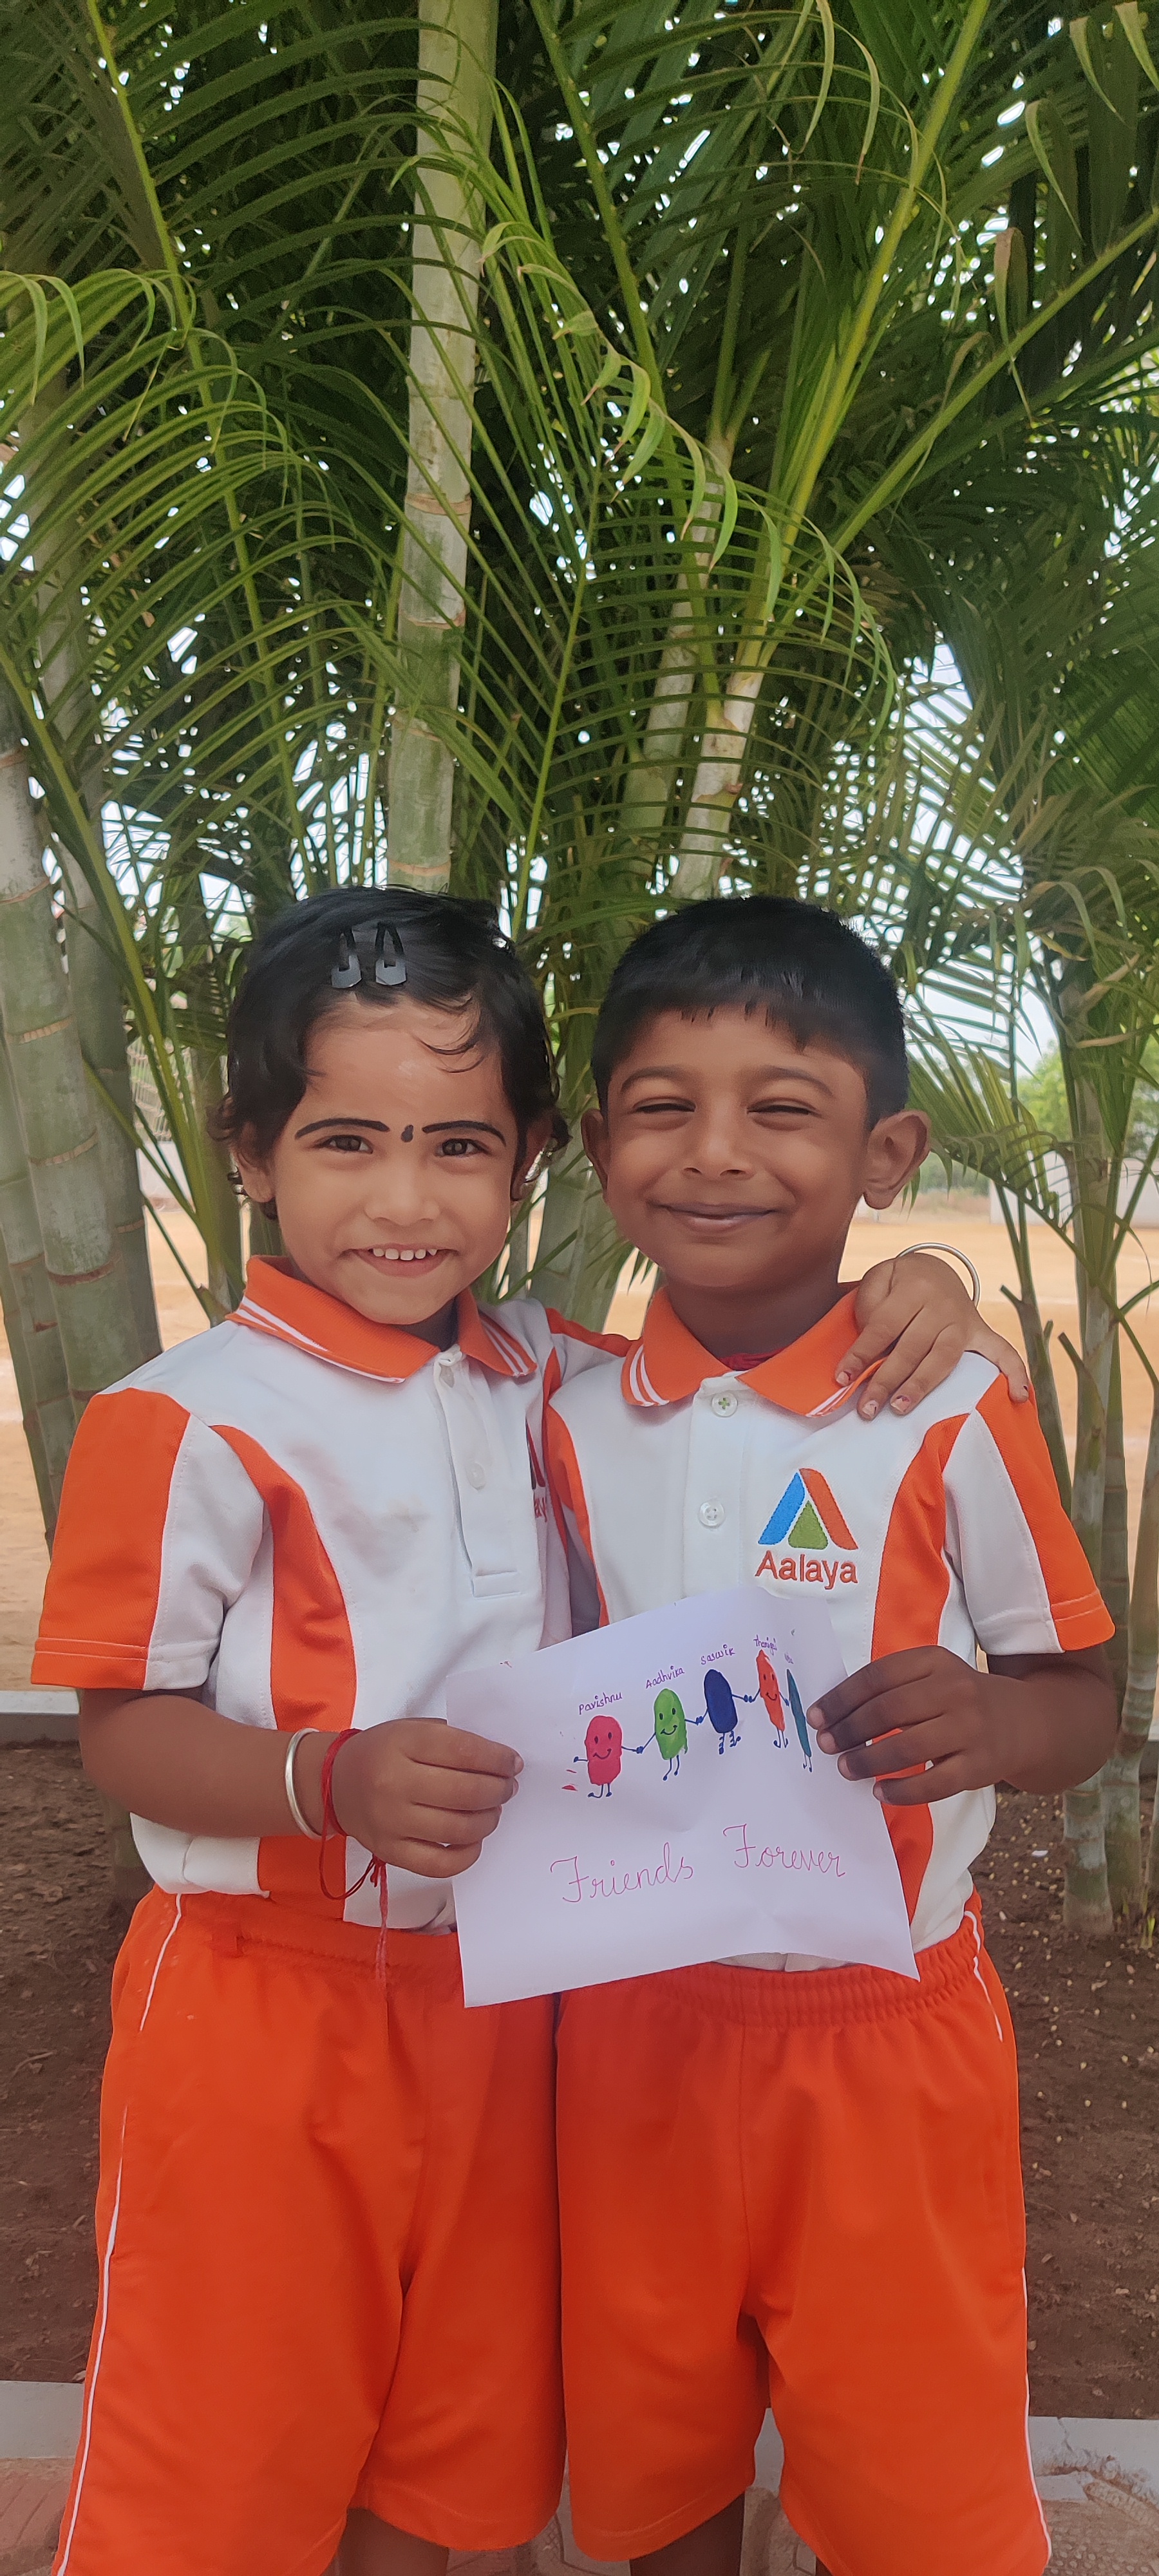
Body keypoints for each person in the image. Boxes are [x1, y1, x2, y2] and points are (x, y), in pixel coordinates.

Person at [33, 884, 1019, 2576]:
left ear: (532, 1157)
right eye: (346, 1142)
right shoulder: (180, 1420)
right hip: (264, 2020)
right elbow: (121, 1729)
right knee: (218, 2454)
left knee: (450, 2464)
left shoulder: (550, 1374)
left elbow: (743, 1360)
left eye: (460, 1148)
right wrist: (324, 1779)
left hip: (516, 2017)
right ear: (251, 1150)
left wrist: (923, 1278)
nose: (405, 1200)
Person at [544, 896, 1117, 2576]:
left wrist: (993, 1720)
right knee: (653, 2470)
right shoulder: (553, 1411)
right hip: (626, 2026)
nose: (717, 1151)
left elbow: (1085, 1704)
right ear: (597, 1145)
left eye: (782, 1108)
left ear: (886, 1153)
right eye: (663, 1106)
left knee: (918, 2485)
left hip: (889, 2036)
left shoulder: (949, 1406)